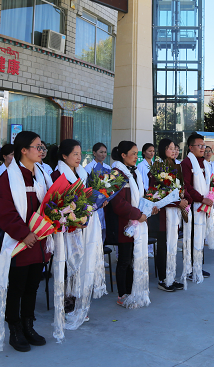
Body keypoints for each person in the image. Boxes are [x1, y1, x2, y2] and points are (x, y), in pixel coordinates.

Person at [0, 131, 52, 352]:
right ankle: (15, 329)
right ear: (24, 150)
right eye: (37, 146)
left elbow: (51, 203)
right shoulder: (8, 177)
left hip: (40, 241)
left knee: (32, 286)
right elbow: (5, 212)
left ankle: (28, 325)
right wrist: (24, 233)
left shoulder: (42, 174)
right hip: (20, 243)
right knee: (16, 288)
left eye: (42, 146)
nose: (41, 150)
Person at [51, 138, 104, 328]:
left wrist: (99, 200)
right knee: (68, 267)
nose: (79, 157)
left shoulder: (82, 173)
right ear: (64, 156)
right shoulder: (57, 175)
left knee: (80, 265)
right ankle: (67, 307)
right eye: (75, 154)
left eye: (80, 154)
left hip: (83, 226)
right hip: (67, 229)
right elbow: (56, 203)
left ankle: (78, 301)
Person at [105, 141, 156, 308]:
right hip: (124, 224)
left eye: (136, 153)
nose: (136, 156)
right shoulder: (115, 173)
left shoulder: (133, 172)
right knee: (124, 260)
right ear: (123, 155)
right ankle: (122, 294)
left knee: (133, 259)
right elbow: (118, 203)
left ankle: (132, 290)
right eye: (133, 153)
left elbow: (142, 195)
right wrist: (137, 214)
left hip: (137, 222)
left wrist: (151, 206)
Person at [150, 138, 189, 292]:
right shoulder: (157, 167)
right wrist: (177, 202)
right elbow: (156, 194)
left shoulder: (176, 166)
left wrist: (184, 198)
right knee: (163, 247)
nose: (174, 151)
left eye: (175, 148)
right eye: (170, 148)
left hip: (174, 213)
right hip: (163, 215)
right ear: (163, 149)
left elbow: (180, 188)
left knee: (172, 245)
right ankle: (163, 279)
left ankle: (171, 277)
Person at [181, 133, 214, 283]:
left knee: (200, 237)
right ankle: (189, 269)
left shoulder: (204, 163)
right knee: (192, 237)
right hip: (194, 206)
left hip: (204, 205)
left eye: (204, 145)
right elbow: (187, 187)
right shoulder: (187, 163)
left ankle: (197, 266)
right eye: (199, 146)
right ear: (191, 147)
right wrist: (201, 199)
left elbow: (209, 182)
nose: (203, 148)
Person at [84, 142, 109, 242]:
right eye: (101, 152)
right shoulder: (88, 167)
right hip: (93, 203)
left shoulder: (108, 168)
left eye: (105, 152)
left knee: (103, 229)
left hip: (105, 202)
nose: (103, 155)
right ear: (94, 153)